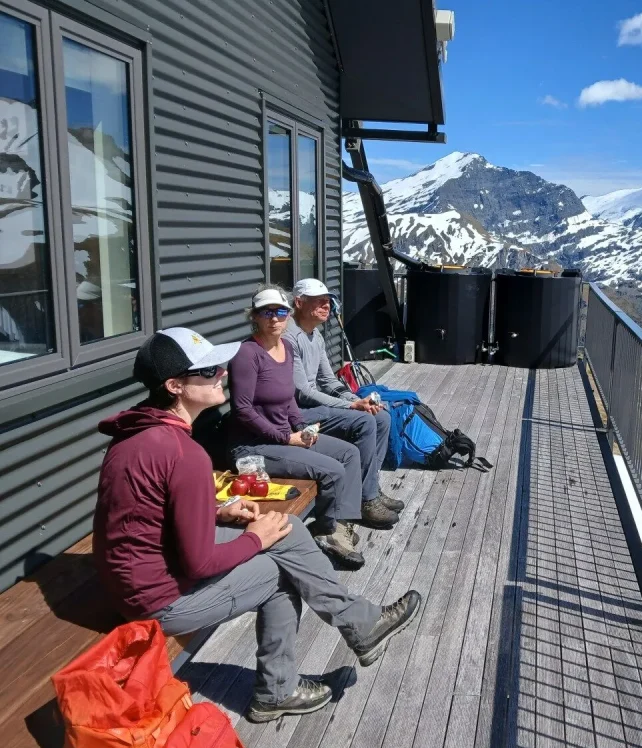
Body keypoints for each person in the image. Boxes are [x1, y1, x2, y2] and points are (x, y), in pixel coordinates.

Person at [92, 326, 421, 723]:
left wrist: (217, 511)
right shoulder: (184, 454)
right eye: (209, 371)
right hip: (157, 600)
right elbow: (197, 564)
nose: (223, 374)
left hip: (135, 573)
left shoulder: (138, 435)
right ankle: (277, 690)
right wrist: (252, 538)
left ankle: (359, 625)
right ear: (175, 385)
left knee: (284, 524)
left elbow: (148, 512)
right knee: (280, 572)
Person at [226, 286, 396, 572]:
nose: (274, 318)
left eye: (280, 312)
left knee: (350, 453)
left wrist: (303, 427)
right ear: (254, 316)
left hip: (285, 433)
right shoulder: (247, 354)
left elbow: (290, 399)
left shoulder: (286, 347)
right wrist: (286, 437)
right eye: (266, 312)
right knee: (333, 470)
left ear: (288, 313)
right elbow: (242, 410)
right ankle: (327, 531)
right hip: (254, 444)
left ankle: (341, 522)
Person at [284, 278, 404, 518]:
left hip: (315, 405)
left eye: (328, 302)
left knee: (380, 416)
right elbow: (302, 392)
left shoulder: (315, 335)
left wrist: (357, 400)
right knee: (365, 421)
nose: (327, 306)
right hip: (298, 412)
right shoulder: (289, 337)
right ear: (299, 302)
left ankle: (369, 488)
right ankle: (366, 499)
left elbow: (328, 380)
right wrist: (351, 405)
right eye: (319, 301)